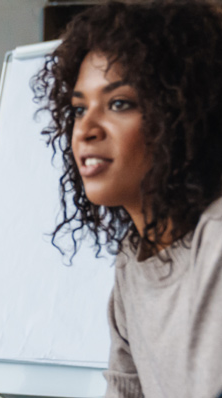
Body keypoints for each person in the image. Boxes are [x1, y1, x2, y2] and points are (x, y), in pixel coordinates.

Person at [35, 1, 222, 397]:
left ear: (180, 115)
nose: (85, 129)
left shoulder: (216, 239)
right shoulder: (133, 260)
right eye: (80, 108)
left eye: (119, 104)